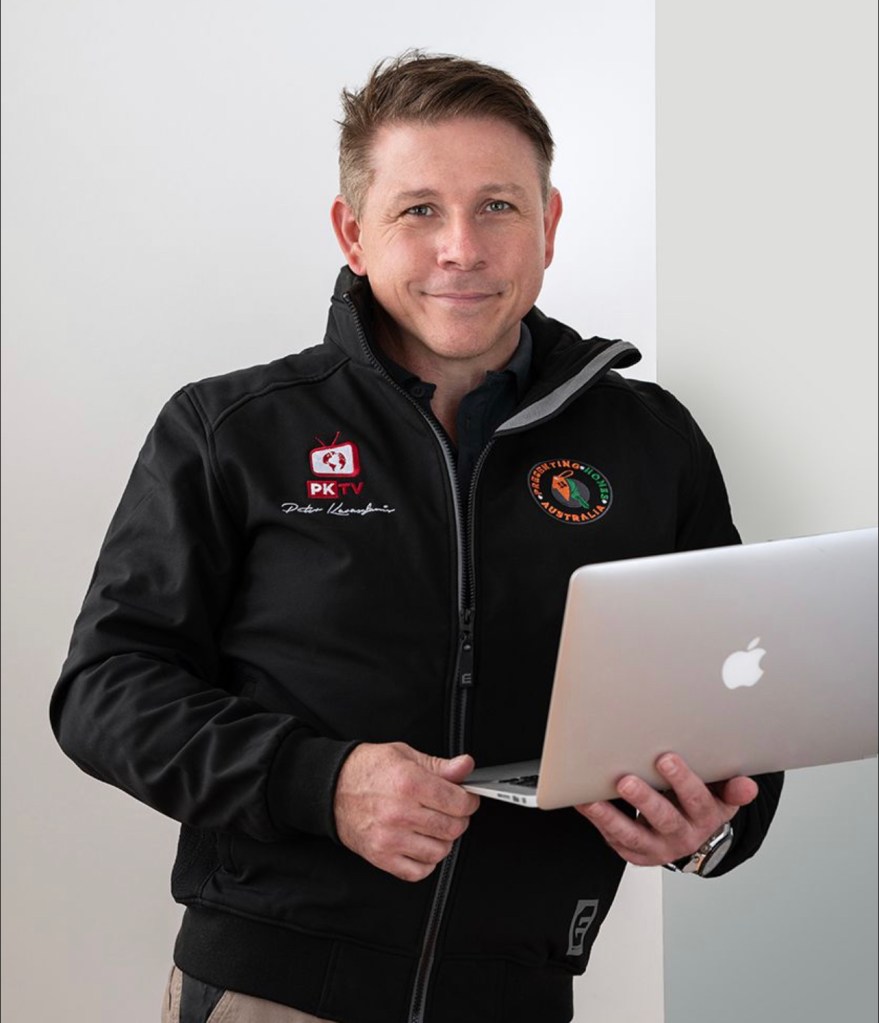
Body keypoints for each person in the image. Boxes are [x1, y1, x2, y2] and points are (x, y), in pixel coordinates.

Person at [50, 52, 783, 1023]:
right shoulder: (232, 430)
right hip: (273, 990)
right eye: (419, 210)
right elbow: (105, 692)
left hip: (521, 995)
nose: (461, 248)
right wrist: (322, 783)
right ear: (353, 233)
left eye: (498, 207)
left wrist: (714, 828)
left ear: (550, 224)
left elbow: (742, 692)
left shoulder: (650, 442)